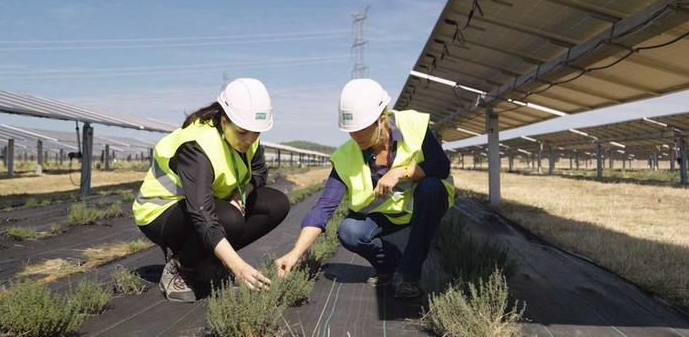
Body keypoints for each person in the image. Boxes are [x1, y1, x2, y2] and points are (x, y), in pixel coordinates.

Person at [275, 78, 453, 298]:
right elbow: (323, 208)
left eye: (361, 129)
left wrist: (400, 171)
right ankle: (391, 264)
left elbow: (441, 166)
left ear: (381, 119)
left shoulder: (412, 125)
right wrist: (295, 254)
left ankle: (409, 276)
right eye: (350, 131)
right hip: (386, 215)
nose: (355, 136)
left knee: (432, 188)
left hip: (421, 205)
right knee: (349, 231)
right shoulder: (346, 156)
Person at [132, 78, 290, 302]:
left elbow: (259, 173)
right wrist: (238, 266)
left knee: (276, 204)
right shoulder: (197, 145)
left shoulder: (248, 136)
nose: (250, 139)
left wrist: (241, 193)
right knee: (230, 219)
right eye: (243, 132)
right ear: (224, 121)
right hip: (160, 212)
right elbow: (202, 215)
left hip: (207, 206)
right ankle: (180, 268)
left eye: (256, 133)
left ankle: (208, 262)